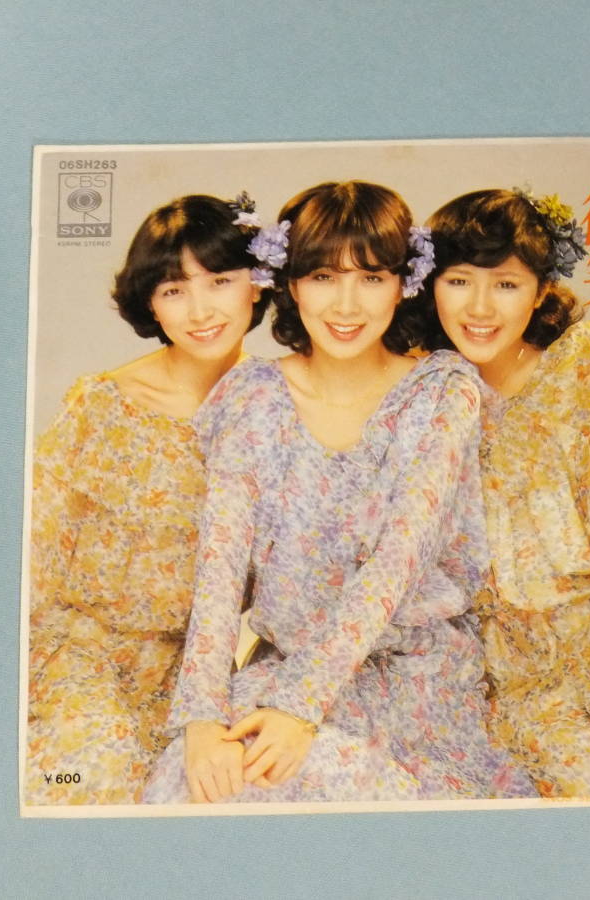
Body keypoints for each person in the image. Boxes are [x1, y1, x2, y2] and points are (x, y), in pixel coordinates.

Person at [143, 181, 534, 804]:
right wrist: (201, 718)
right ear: (291, 284)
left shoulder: (441, 392)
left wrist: (302, 709)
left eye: (371, 277)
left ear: (404, 283)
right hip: (281, 670)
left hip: (412, 675)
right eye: (323, 276)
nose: (346, 304)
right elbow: (220, 567)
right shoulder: (251, 395)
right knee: (194, 786)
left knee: (314, 783)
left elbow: (399, 561)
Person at [409, 188, 590, 798]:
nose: (479, 307)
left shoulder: (587, 366)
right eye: (459, 281)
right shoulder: (424, 385)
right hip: (512, 668)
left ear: (541, 290)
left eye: (506, 284)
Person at [26, 193, 272, 804]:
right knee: (91, 774)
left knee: (221, 794)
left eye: (220, 281)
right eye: (173, 289)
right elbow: (33, 553)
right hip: (79, 651)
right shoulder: (103, 402)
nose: (200, 310)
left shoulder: (279, 410)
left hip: (194, 674)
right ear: (151, 303)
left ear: (258, 285)